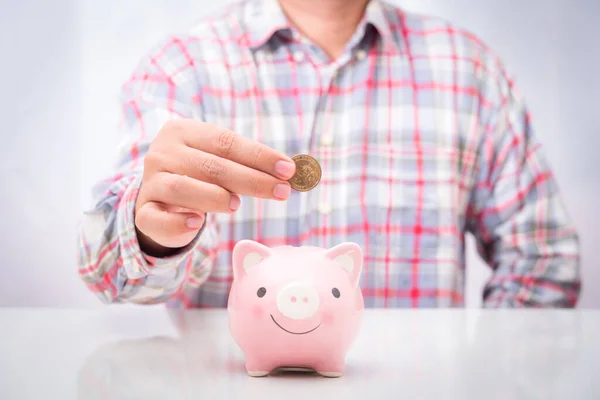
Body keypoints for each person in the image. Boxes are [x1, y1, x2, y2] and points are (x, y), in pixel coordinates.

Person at [77, 0, 581, 308]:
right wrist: (154, 232)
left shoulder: (469, 70)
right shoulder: (182, 67)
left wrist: (488, 376)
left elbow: (543, 262)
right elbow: (106, 273)